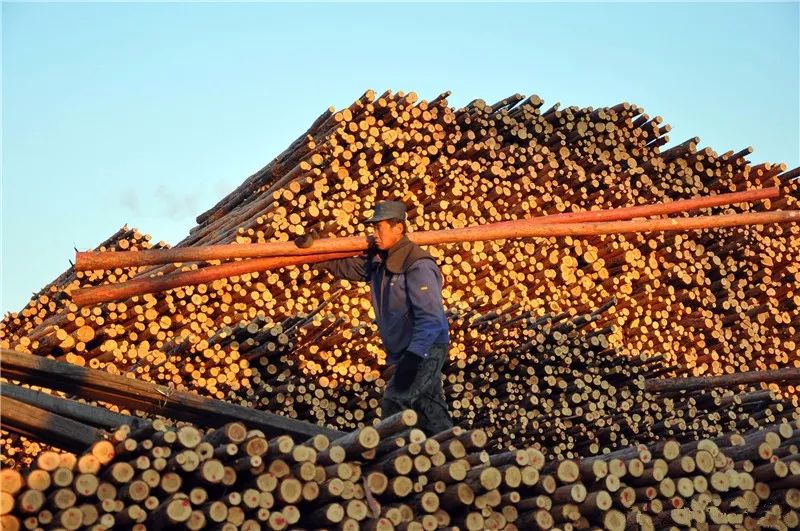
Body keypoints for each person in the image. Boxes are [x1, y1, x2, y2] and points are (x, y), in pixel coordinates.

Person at [299, 200, 454, 435]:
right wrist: (317, 250)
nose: (374, 234)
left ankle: (397, 465)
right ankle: (456, 462)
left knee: (395, 402)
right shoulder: (380, 262)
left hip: (425, 347)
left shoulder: (418, 265)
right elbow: (347, 267)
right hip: (407, 349)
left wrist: (412, 359)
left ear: (398, 229)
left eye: (379, 228)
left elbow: (431, 319)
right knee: (430, 409)